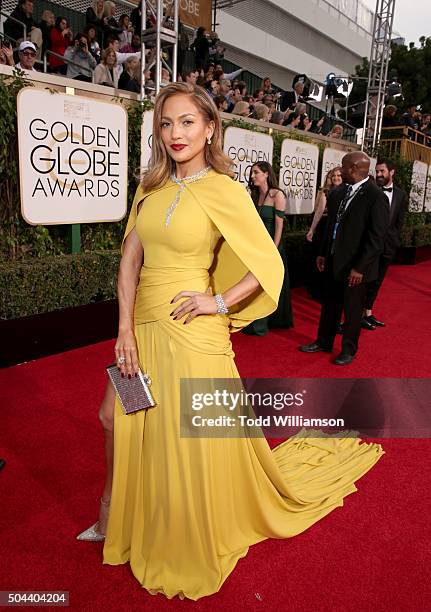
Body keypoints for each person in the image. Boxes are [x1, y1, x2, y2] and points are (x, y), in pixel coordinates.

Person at [76, 83, 384, 601]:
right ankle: (116, 515)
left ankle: (173, 533)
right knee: (115, 417)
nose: (176, 133)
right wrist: (123, 328)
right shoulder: (150, 188)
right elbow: (130, 262)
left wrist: (216, 302)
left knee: (181, 436)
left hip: (194, 335)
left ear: (210, 128)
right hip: (143, 328)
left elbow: (270, 263)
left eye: (187, 122)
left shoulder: (225, 189)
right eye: (167, 123)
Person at [299, 152, 390, 365]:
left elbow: (376, 238)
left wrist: (359, 268)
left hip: (357, 268)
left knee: (352, 311)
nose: (339, 170)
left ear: (353, 168)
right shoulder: (338, 192)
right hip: (333, 260)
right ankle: (324, 341)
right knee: (329, 305)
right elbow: (331, 226)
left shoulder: (376, 197)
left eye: (343, 166)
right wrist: (322, 252)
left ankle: (348, 350)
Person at [242, 161, 293, 335]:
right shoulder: (255, 195)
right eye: (251, 173)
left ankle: (262, 324)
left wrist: (274, 250)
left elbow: (280, 226)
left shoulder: (276, 194)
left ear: (266, 174)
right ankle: (253, 319)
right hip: (257, 246)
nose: (252, 176)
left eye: (256, 172)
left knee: (266, 284)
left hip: (272, 246)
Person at [362, 158, 407, 330]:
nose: (379, 174)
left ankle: (368, 313)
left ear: (392, 172)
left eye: (382, 171)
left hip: (388, 246)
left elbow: (399, 221)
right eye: (377, 171)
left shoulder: (401, 194)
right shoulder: (370, 191)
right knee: (364, 280)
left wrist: (394, 241)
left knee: (377, 280)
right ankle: (357, 314)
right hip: (369, 245)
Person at [306, 166, 343, 301]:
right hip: (324, 228)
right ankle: (318, 291)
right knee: (321, 257)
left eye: (339, 175)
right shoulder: (326, 192)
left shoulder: (346, 192)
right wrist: (312, 229)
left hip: (336, 229)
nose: (336, 178)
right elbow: (318, 212)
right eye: (333, 175)